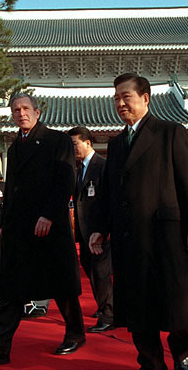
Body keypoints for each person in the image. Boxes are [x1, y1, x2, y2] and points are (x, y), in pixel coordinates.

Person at [89, 73, 188, 370]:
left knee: (173, 302)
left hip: (164, 233)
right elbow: (108, 192)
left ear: (145, 97)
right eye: (116, 98)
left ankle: (182, 354)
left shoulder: (170, 132)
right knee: (137, 305)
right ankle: (150, 362)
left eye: (126, 97)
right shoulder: (116, 145)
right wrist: (99, 227)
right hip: (129, 236)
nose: (120, 103)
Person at [0, 93, 85, 365]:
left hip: (49, 226)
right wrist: (4, 225)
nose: (21, 113)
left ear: (37, 112)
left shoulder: (58, 140)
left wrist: (49, 216)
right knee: (11, 289)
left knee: (61, 286)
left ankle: (75, 333)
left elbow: (65, 181)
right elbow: (13, 191)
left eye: (25, 108)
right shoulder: (15, 146)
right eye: (16, 110)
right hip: (20, 229)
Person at [68, 126, 114, 333]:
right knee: (91, 271)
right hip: (85, 233)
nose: (73, 149)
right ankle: (103, 307)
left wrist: (104, 229)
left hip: (99, 232)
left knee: (101, 273)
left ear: (88, 143)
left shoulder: (103, 166)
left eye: (75, 144)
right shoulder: (80, 169)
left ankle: (109, 314)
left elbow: (108, 201)